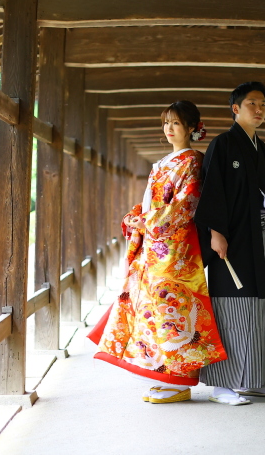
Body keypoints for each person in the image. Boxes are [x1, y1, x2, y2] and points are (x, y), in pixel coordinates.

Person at [87, 101, 227, 404]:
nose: (169, 129)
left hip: (177, 249)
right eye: (166, 124)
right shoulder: (163, 162)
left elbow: (186, 205)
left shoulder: (192, 161)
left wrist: (147, 221)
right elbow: (150, 204)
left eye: (176, 124)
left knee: (173, 312)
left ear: (191, 128)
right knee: (154, 313)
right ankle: (164, 375)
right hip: (155, 246)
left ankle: (179, 381)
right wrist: (135, 217)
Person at [195, 81, 265, 406]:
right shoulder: (223, 145)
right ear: (236, 108)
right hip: (235, 239)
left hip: (262, 238)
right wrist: (215, 231)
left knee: (263, 306)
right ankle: (222, 385)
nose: (259, 109)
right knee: (232, 307)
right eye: (252, 103)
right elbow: (212, 190)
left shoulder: (261, 147)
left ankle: (254, 378)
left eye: (263, 105)